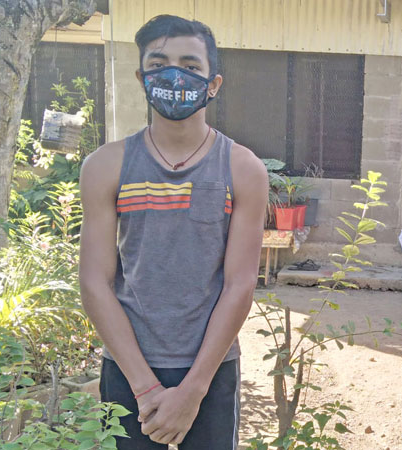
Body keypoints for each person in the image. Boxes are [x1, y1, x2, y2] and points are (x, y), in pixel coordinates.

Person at [79, 15, 267, 449]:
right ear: (142, 77)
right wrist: (144, 387)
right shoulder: (106, 166)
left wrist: (193, 390)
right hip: (127, 368)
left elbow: (240, 284)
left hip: (210, 371)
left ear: (213, 83)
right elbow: (95, 281)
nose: (174, 74)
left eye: (190, 65)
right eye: (159, 63)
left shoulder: (242, 168)